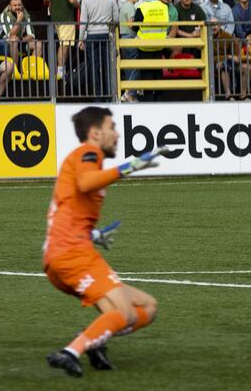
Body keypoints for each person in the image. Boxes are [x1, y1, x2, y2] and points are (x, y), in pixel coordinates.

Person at [44, 107, 163, 377]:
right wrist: (130, 166)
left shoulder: (83, 159)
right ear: (96, 133)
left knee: (147, 307)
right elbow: (86, 184)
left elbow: (68, 209)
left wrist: (95, 235)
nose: (117, 134)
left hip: (62, 257)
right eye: (112, 127)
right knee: (127, 313)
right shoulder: (90, 153)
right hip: (74, 256)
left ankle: (95, 338)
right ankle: (71, 351)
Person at [80, 0, 119, 98]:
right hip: (106, 35)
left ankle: (97, 96)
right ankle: (109, 94)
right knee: (107, 65)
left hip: (92, 36)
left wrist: (81, 39)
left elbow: (83, 22)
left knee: (94, 67)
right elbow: (116, 19)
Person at [48, 0, 81, 81]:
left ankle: (60, 69)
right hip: (66, 17)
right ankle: (61, 71)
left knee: (62, 43)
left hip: (55, 16)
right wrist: (80, 5)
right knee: (65, 45)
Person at [0, 0, 40, 64]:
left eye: (19, 5)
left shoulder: (25, 15)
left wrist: (21, 40)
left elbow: (31, 35)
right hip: (2, 44)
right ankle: (14, 71)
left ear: (22, 6)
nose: (17, 7)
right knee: (14, 40)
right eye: (14, 5)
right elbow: (11, 34)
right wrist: (19, 20)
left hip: (18, 41)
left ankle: (32, 70)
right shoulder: (4, 15)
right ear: (10, 6)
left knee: (38, 43)